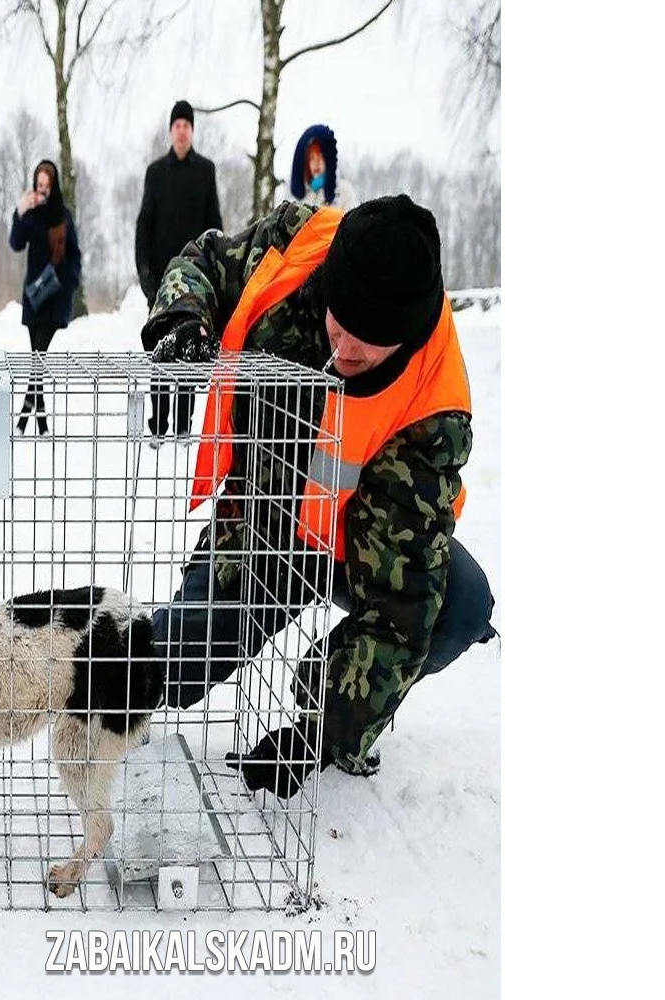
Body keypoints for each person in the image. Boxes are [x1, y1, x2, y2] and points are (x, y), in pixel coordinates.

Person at [141, 195, 497, 798]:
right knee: (170, 663)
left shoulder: (434, 414)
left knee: (459, 606)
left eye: (369, 340)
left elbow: (400, 605)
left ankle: (327, 692)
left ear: (408, 337)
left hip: (356, 549)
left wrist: (320, 732)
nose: (345, 346)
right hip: (262, 526)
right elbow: (204, 261)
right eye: (340, 319)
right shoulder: (296, 249)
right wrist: (183, 317)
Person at [135, 99, 223, 443]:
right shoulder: (156, 173)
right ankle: (159, 422)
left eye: (187, 125)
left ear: (192, 130)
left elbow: (214, 223)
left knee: (188, 345)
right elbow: (144, 226)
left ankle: (184, 423)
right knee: (160, 348)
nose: (182, 130)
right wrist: (145, 276)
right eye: (177, 125)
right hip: (159, 281)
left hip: (193, 278)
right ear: (170, 131)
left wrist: (212, 269)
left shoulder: (206, 170)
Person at [8, 158, 82, 436]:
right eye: (38, 185)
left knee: (38, 358)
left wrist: (70, 284)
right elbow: (16, 244)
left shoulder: (63, 216)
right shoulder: (31, 215)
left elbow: (75, 255)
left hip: (56, 298)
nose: (42, 191)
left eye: (46, 186)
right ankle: (40, 424)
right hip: (35, 297)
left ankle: (25, 421)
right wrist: (19, 211)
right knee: (37, 359)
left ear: (54, 187)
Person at [283, 123, 356, 209]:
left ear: (329, 160)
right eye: (312, 158)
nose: (316, 162)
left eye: (321, 156)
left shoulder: (344, 192)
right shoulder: (298, 202)